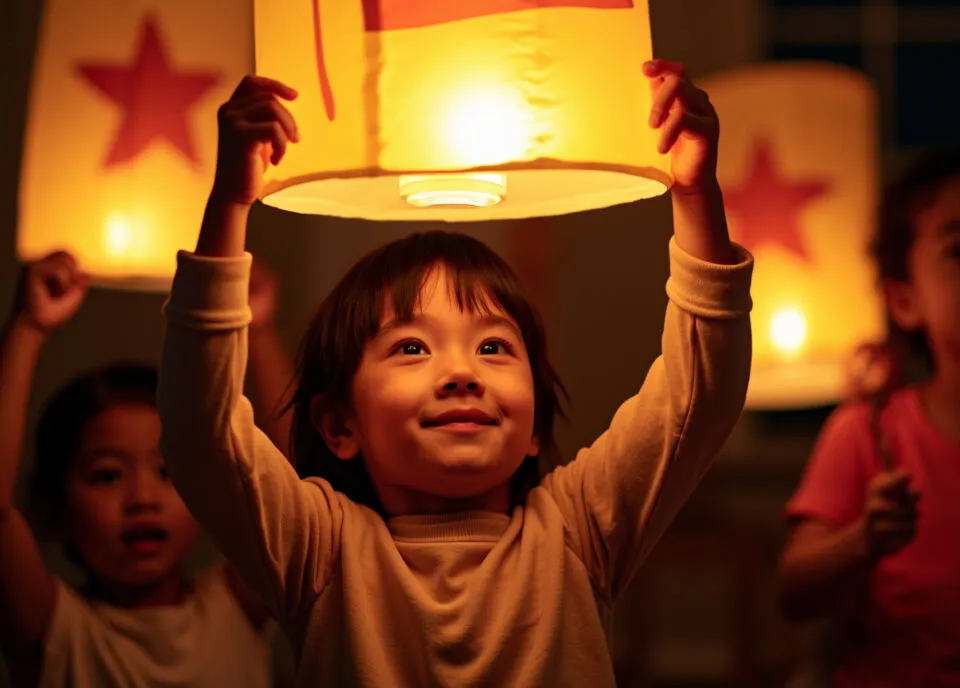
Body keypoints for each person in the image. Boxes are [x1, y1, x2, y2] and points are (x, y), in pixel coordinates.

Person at [158, 61, 754, 686]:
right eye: (413, 349)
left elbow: (698, 397)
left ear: (533, 429)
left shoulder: (578, 530)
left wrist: (695, 195)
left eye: (494, 347)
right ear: (339, 425)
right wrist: (229, 201)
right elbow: (202, 432)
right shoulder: (319, 550)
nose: (462, 372)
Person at [0, 250, 291, 687]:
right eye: (107, 475)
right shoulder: (56, 630)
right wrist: (27, 326)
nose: (142, 499)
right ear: (54, 504)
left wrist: (259, 329)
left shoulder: (234, 606)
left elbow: (291, 491)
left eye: (167, 472)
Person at [778, 148, 960, 686]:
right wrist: (864, 539)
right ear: (905, 301)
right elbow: (794, 591)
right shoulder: (870, 432)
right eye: (959, 249)